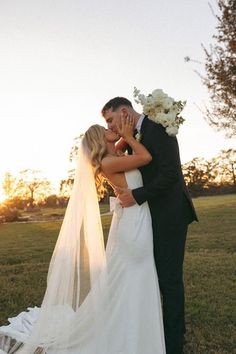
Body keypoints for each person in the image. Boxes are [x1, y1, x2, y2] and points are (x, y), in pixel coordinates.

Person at [0, 118, 166, 354]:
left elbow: (125, 147)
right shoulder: (109, 162)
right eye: (103, 128)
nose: (109, 128)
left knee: (130, 282)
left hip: (136, 222)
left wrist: (124, 134)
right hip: (134, 229)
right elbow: (146, 158)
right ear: (98, 139)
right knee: (134, 280)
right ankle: (131, 336)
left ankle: (132, 331)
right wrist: (128, 136)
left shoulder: (115, 154)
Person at [102, 97, 198, 354]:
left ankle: (174, 345)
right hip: (149, 219)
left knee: (169, 282)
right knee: (155, 279)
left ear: (124, 112)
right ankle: (155, 332)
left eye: (110, 120)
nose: (110, 126)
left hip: (170, 216)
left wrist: (137, 196)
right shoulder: (135, 133)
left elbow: (170, 174)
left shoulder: (159, 129)